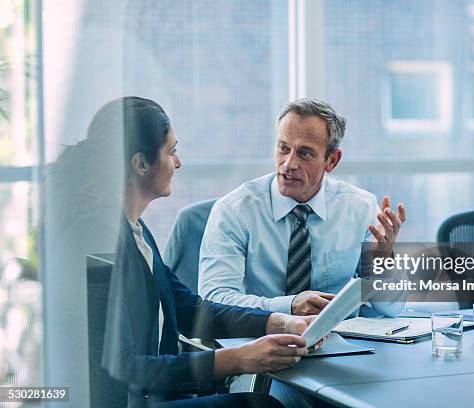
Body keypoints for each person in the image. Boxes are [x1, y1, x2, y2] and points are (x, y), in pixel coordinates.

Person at [100, 97, 322, 407]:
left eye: (306, 152)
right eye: (172, 151)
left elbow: (193, 310)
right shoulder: (105, 246)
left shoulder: (138, 232)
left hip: (172, 388)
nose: (178, 163)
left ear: (332, 160)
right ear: (141, 164)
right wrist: (238, 358)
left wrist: (282, 322)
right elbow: (126, 368)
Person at [199, 98, 406, 318]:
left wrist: (382, 262)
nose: (289, 164)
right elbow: (214, 299)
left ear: (332, 160)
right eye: (283, 148)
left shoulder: (360, 209)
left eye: (304, 153)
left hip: (342, 344)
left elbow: (390, 309)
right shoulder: (235, 211)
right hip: (259, 341)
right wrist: (288, 307)